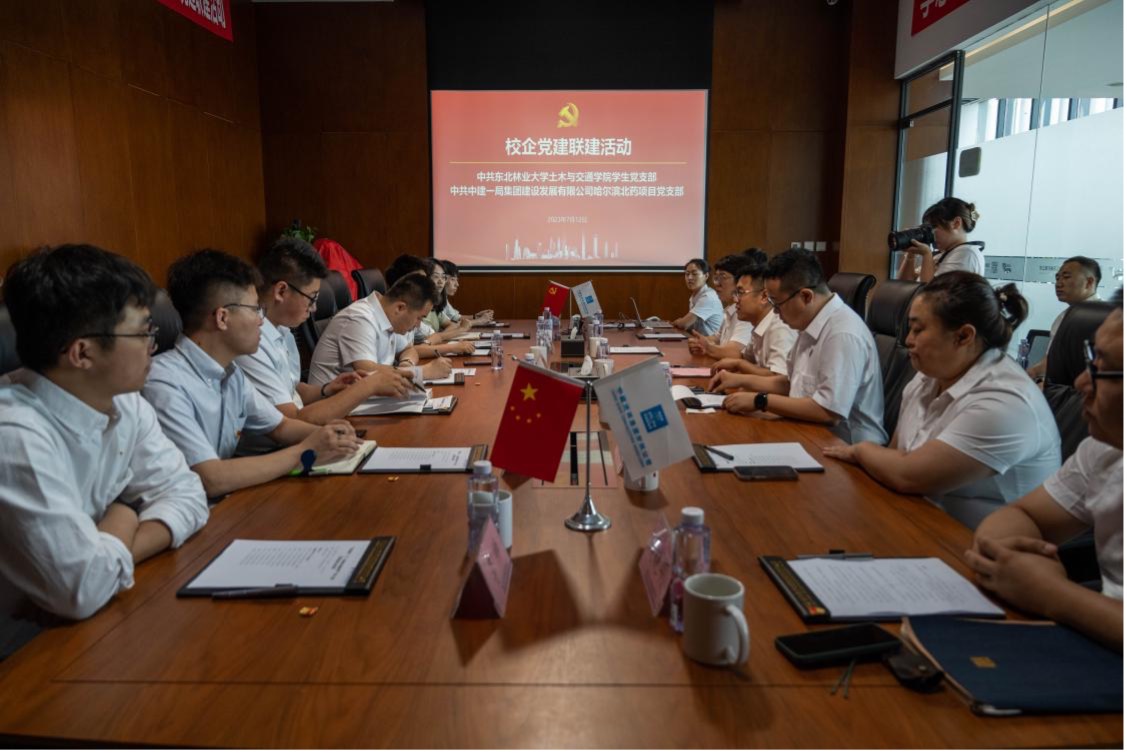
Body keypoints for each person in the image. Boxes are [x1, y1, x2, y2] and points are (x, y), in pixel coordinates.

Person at [0, 245, 208, 656]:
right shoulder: (15, 435)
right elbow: (82, 588)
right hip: (20, 654)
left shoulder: (123, 401)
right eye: (143, 333)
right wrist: (127, 509)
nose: (153, 345)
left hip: (93, 623)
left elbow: (189, 493)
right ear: (82, 353)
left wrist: (114, 538)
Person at [823, 272, 1060, 529]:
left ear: (963, 336)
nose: (908, 340)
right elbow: (895, 455)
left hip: (975, 543)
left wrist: (860, 450)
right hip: (916, 519)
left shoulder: (1005, 403)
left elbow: (907, 475)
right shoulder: (928, 377)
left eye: (918, 329)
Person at [965, 302, 1122, 649]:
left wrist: (1053, 594)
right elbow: (1023, 515)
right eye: (1091, 359)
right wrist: (1011, 558)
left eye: (1104, 369)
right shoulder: (1105, 449)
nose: (1081, 382)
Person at [143, 250, 360, 498]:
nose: (261, 321)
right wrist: (305, 451)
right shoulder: (164, 382)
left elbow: (281, 426)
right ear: (222, 317)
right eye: (255, 309)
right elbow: (210, 478)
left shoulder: (231, 372)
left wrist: (332, 436)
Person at [710, 248, 887, 445]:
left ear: (806, 296)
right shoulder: (808, 323)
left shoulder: (843, 333)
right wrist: (738, 380)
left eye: (777, 304)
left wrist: (760, 401)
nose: (775, 312)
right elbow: (790, 384)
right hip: (807, 430)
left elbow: (828, 411)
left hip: (844, 445)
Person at [234, 237, 414, 428]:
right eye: (312, 298)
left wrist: (327, 389)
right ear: (281, 291)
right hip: (286, 441)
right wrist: (368, 385)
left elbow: (292, 389)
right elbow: (291, 421)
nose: (313, 309)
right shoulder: (252, 342)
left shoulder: (283, 330)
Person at [308, 273, 450, 385]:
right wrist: (422, 372)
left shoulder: (388, 316)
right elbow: (367, 371)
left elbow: (409, 349)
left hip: (366, 399)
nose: (418, 325)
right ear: (400, 308)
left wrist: (407, 364)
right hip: (336, 407)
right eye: (419, 318)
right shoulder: (359, 318)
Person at [709, 263, 798, 380]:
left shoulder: (780, 328)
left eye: (740, 293)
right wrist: (736, 363)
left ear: (764, 296)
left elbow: (779, 378)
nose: (735, 300)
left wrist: (739, 364)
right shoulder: (758, 324)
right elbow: (746, 358)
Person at [1027, 256, 1102, 380]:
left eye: (1066, 277)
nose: (1059, 283)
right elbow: (1053, 359)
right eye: (1057, 278)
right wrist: (1032, 373)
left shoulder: (1101, 318)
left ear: (1089, 282)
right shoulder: (1066, 315)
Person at [383, 255, 472, 359]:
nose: (426, 285)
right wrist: (452, 347)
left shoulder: (412, 310)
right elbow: (409, 351)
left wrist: (410, 360)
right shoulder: (397, 315)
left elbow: (412, 348)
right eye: (421, 281)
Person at [896, 197, 984, 283]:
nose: (931, 233)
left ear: (956, 223)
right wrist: (910, 255)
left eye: (934, 226)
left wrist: (926, 254)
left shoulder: (967, 254)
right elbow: (903, 285)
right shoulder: (941, 255)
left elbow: (931, 291)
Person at [687, 254, 753, 360]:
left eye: (723, 277)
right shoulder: (729, 310)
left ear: (740, 281)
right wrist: (698, 342)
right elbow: (716, 338)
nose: (717, 284)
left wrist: (707, 347)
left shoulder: (746, 312)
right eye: (716, 278)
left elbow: (734, 353)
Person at [671, 258, 724, 335]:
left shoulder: (708, 297)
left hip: (712, 341)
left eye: (694, 274)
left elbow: (684, 324)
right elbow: (690, 325)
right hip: (700, 340)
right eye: (687, 274)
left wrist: (679, 321)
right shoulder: (695, 296)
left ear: (706, 276)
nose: (689, 278)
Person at [440, 259, 493, 326]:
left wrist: (475, 317)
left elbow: (456, 317)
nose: (457, 284)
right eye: (453, 279)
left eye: (457, 280)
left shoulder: (443, 298)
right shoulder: (434, 300)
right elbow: (450, 325)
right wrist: (478, 321)